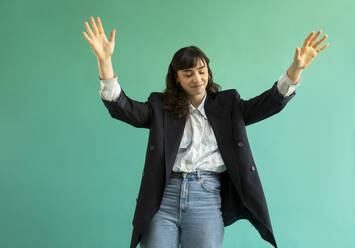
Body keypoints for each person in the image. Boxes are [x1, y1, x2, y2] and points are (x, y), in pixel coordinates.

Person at [82, 16, 329, 248]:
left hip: (207, 198)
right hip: (163, 198)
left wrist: (295, 69)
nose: (197, 78)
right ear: (177, 78)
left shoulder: (228, 104)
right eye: (188, 74)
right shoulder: (161, 106)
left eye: (201, 71)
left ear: (208, 71)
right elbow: (123, 108)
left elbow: (270, 102)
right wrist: (105, 61)